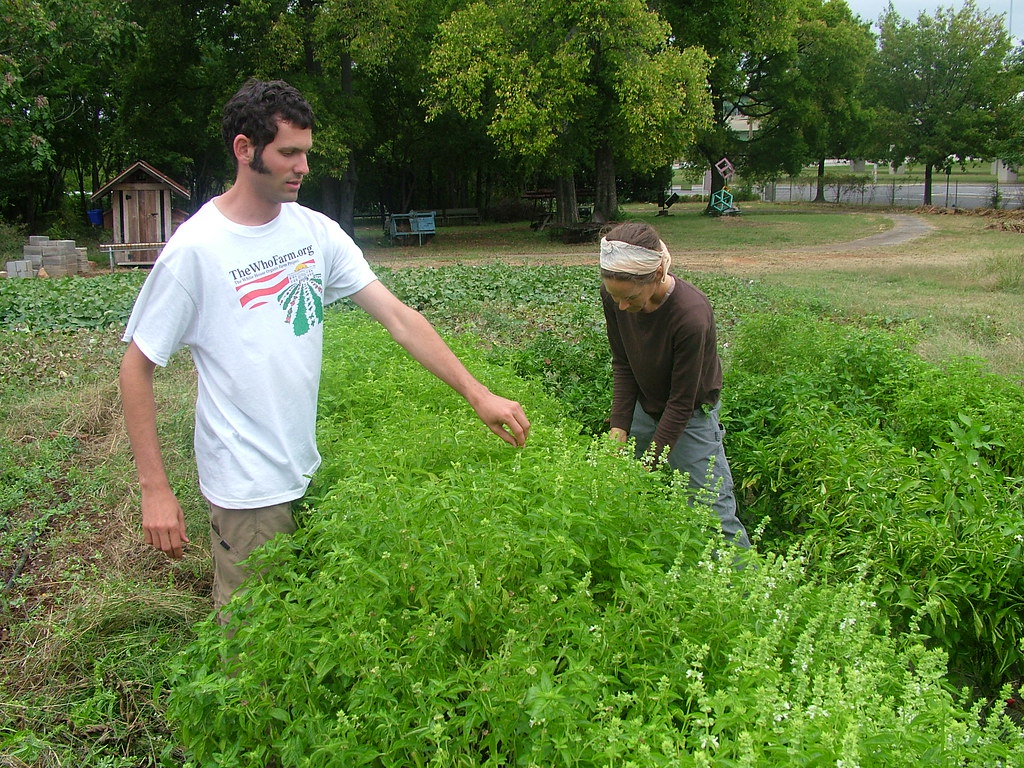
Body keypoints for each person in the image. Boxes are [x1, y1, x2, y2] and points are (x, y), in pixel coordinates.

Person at [119, 78, 530, 614]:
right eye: (288, 153)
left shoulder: (313, 231)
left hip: (303, 463)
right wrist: (155, 488)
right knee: (255, 640)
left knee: (298, 620)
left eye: (306, 153)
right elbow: (135, 367)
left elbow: (401, 319)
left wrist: (478, 394)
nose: (303, 167)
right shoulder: (196, 250)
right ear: (245, 150)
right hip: (247, 482)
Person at [599, 220, 750, 548]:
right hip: (645, 406)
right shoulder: (616, 293)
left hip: (691, 414)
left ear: (655, 276)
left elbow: (682, 402)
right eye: (615, 298)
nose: (622, 307)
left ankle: (743, 586)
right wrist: (619, 428)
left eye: (629, 298)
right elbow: (623, 363)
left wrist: (649, 462)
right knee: (623, 491)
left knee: (714, 513)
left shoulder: (690, 315)